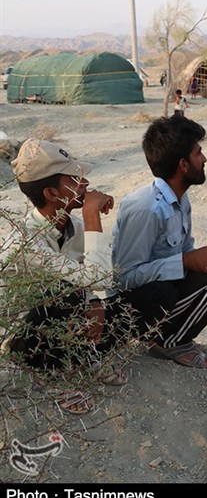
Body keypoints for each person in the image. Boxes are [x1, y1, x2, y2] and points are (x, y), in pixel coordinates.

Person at [110, 115, 207, 369]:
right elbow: (123, 278)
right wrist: (185, 261)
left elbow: (185, 250)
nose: (204, 159)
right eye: (198, 153)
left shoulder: (179, 199)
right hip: (136, 307)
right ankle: (169, 342)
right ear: (183, 165)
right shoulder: (146, 208)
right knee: (165, 291)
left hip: (164, 291)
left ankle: (173, 335)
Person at [3, 139, 126, 414]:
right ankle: (49, 375)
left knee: (122, 300)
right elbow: (96, 278)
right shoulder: (25, 243)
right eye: (74, 179)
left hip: (58, 324)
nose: (85, 183)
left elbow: (93, 280)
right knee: (62, 290)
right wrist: (93, 215)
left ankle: (80, 358)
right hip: (20, 340)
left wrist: (94, 301)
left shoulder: (73, 226)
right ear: (51, 193)